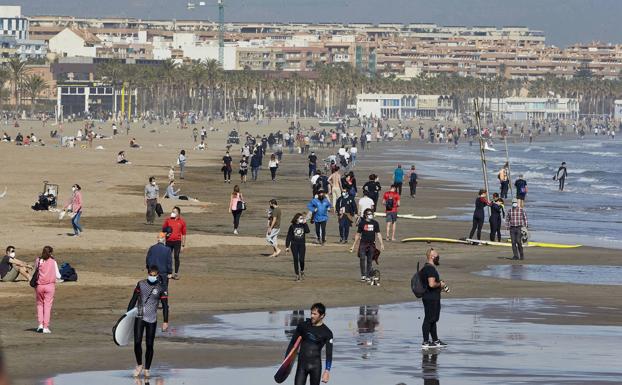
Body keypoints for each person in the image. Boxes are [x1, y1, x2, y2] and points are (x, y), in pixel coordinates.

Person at [127, 265, 169, 379]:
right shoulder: (141, 284)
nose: (152, 277)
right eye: (151, 275)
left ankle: (147, 369)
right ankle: (140, 365)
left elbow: (165, 305)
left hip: (152, 319)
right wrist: (127, 315)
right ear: (148, 273)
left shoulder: (161, 288)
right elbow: (133, 299)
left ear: (158, 275)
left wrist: (165, 321)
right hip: (140, 316)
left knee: (149, 345)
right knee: (137, 342)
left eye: (154, 275)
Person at [285, 303, 333, 385]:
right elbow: (292, 343)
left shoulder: (327, 333)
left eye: (315, 314)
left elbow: (329, 353)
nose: (312, 316)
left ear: (322, 315)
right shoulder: (303, 326)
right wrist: (287, 363)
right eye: (311, 313)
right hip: (302, 366)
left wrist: (327, 371)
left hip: (316, 366)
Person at [420, 248, 448, 348]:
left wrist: (440, 288)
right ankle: (426, 342)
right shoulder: (430, 269)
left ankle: (435, 340)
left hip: (431, 296)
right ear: (432, 256)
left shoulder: (427, 268)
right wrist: (440, 284)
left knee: (433, 319)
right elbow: (431, 284)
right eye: (437, 255)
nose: (438, 257)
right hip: (430, 298)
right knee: (428, 319)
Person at [351, 208, 384, 282]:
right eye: (369, 214)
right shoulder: (362, 223)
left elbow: (378, 234)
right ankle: (363, 275)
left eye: (371, 214)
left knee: (369, 260)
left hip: (372, 244)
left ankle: (368, 275)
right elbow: (358, 234)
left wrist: (381, 244)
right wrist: (353, 245)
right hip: (363, 243)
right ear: (366, 215)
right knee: (362, 258)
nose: (371, 215)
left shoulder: (375, 223)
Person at [34, 246, 61, 334]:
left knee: (40, 305)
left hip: (39, 286)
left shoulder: (38, 260)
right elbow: (58, 276)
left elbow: (36, 271)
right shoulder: (53, 261)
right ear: (51, 253)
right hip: (50, 286)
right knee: (47, 306)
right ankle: (45, 327)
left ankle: (40, 325)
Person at [161, 206, 186, 280]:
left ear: (178, 213)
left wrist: (183, 245)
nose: (172, 213)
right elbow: (163, 229)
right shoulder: (168, 220)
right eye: (172, 211)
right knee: (168, 257)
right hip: (168, 241)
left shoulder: (182, 222)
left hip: (177, 241)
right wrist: (165, 234)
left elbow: (184, 234)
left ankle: (176, 273)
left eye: (174, 211)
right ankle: (169, 272)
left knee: (176, 256)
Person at [285, 213, 310, 281]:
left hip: (302, 244)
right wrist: (287, 246)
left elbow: (308, 231)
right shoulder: (292, 226)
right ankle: (297, 274)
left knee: (301, 259)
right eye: (300, 218)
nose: (302, 219)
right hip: (294, 245)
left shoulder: (303, 225)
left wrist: (305, 223)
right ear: (297, 219)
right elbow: (289, 236)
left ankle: (302, 270)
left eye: (302, 218)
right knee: (296, 259)